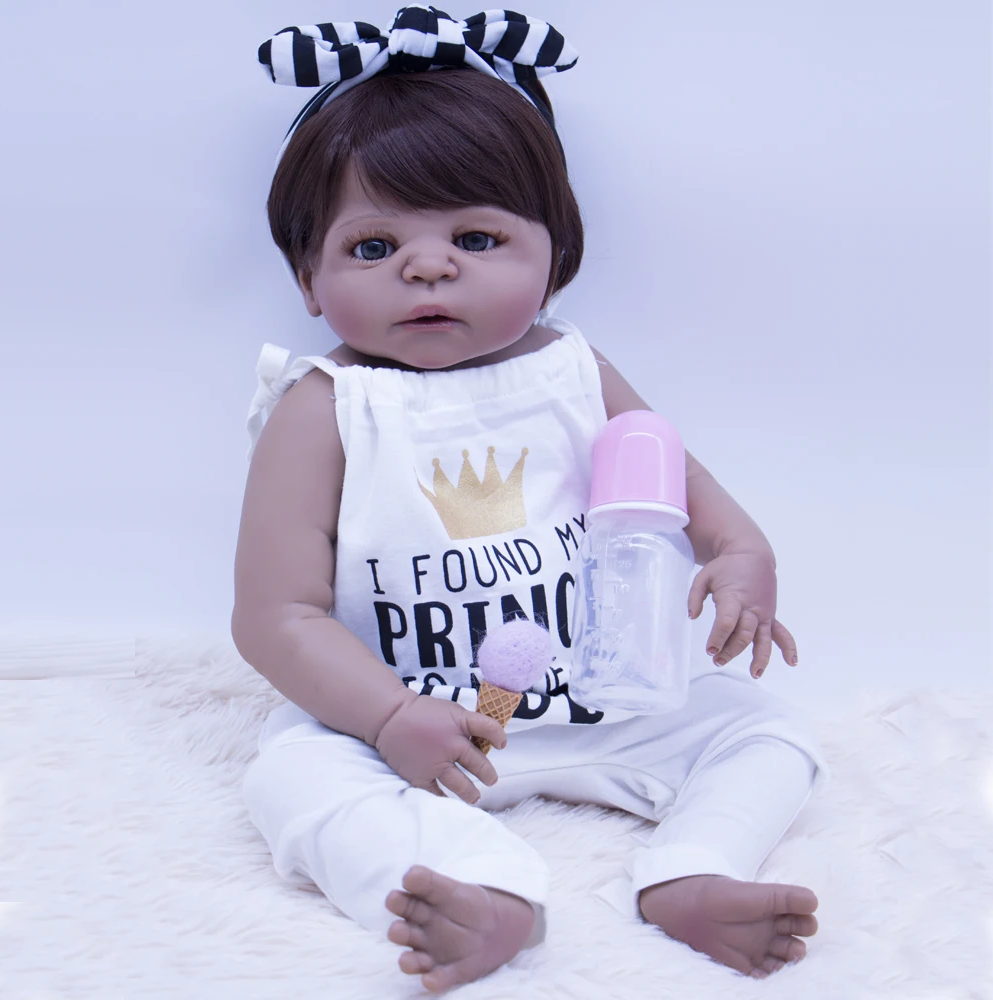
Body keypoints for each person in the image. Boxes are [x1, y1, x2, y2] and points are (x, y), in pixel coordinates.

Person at [234, 6, 830, 991]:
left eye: (476, 236)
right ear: (307, 277)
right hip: (408, 721)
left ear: (556, 257)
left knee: (763, 730)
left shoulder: (572, 372)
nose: (429, 265)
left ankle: (695, 868)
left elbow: (685, 487)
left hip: (599, 693)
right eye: (374, 247)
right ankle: (479, 891)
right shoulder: (326, 407)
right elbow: (275, 616)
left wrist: (741, 557)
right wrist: (386, 716)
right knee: (292, 777)